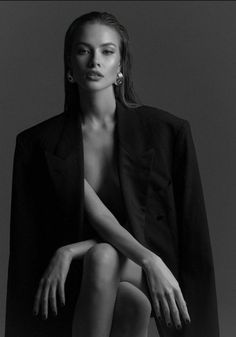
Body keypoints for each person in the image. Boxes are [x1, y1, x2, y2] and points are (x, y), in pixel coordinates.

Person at [5, 11, 220, 337]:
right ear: (69, 64)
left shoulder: (167, 131)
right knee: (126, 295)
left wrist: (151, 262)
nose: (94, 61)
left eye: (107, 51)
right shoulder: (39, 144)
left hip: (155, 271)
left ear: (121, 67)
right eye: (83, 50)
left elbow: (193, 236)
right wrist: (69, 252)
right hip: (77, 279)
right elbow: (29, 245)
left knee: (105, 258)